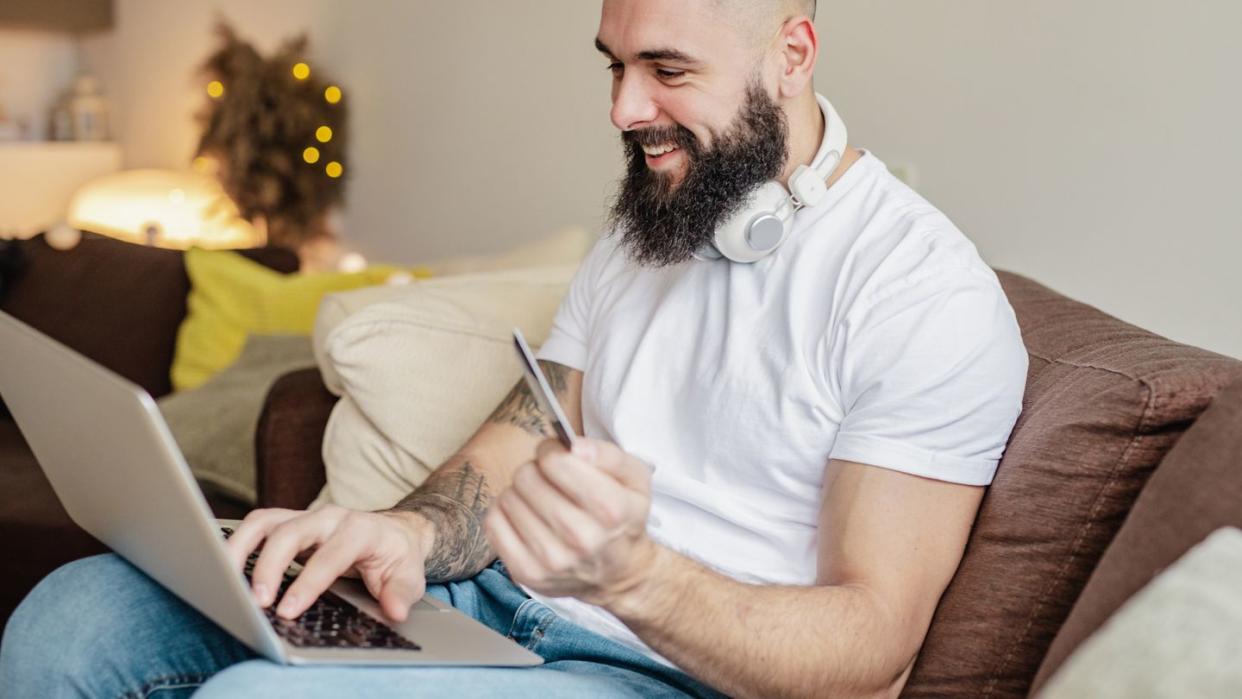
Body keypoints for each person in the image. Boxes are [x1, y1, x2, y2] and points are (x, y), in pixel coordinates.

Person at [0, 0, 1027, 697]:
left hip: (652, 673)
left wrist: (633, 578)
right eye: (616, 66)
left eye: (668, 70)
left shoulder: (920, 294)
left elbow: (874, 653)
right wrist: (401, 537)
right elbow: (519, 442)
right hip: (487, 613)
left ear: (793, 55)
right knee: (69, 619)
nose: (625, 110)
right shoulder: (660, 219)